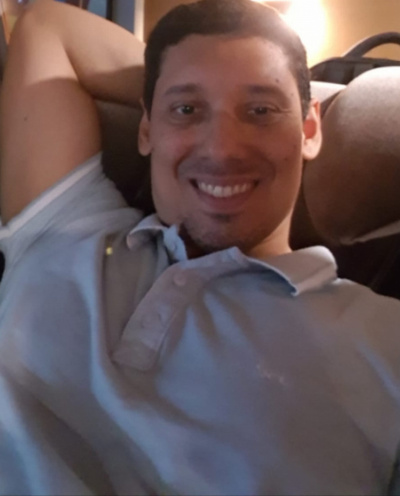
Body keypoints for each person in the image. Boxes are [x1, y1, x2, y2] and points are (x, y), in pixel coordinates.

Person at [0, 0, 400, 494]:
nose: (222, 148)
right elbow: (47, 27)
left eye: (261, 111)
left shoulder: (386, 339)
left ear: (310, 129)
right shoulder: (68, 225)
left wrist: (186, 95)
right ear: (146, 129)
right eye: (186, 110)